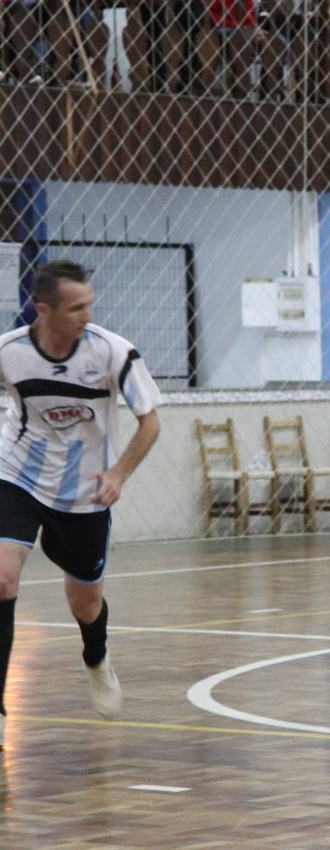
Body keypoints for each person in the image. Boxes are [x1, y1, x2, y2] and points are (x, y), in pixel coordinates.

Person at [0, 261, 163, 737]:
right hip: (18, 476)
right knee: (2, 579)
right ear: (43, 310)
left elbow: (150, 423)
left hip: (85, 492)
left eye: (90, 304)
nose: (88, 315)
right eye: (77, 308)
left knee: (85, 606)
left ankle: (96, 657)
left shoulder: (113, 352)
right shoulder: (9, 352)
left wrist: (118, 474)